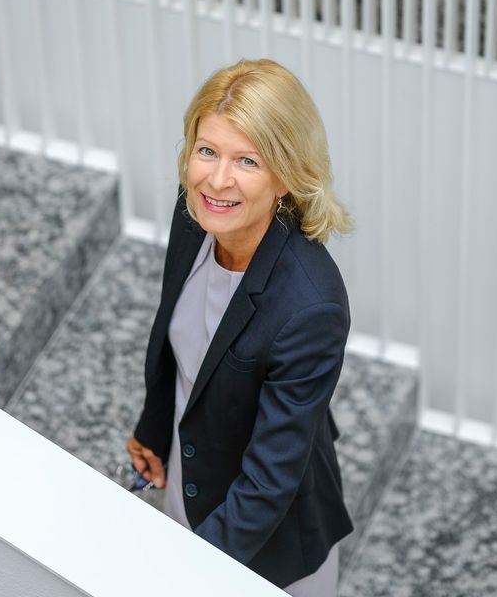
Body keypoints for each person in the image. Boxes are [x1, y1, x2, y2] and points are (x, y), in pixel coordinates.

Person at [126, 58, 353, 595]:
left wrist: (189, 574)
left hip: (269, 542)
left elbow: (269, 482)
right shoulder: (196, 212)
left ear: (286, 176)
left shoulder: (312, 307)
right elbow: (179, 349)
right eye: (207, 151)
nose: (218, 179)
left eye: (247, 160)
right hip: (191, 474)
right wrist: (153, 428)